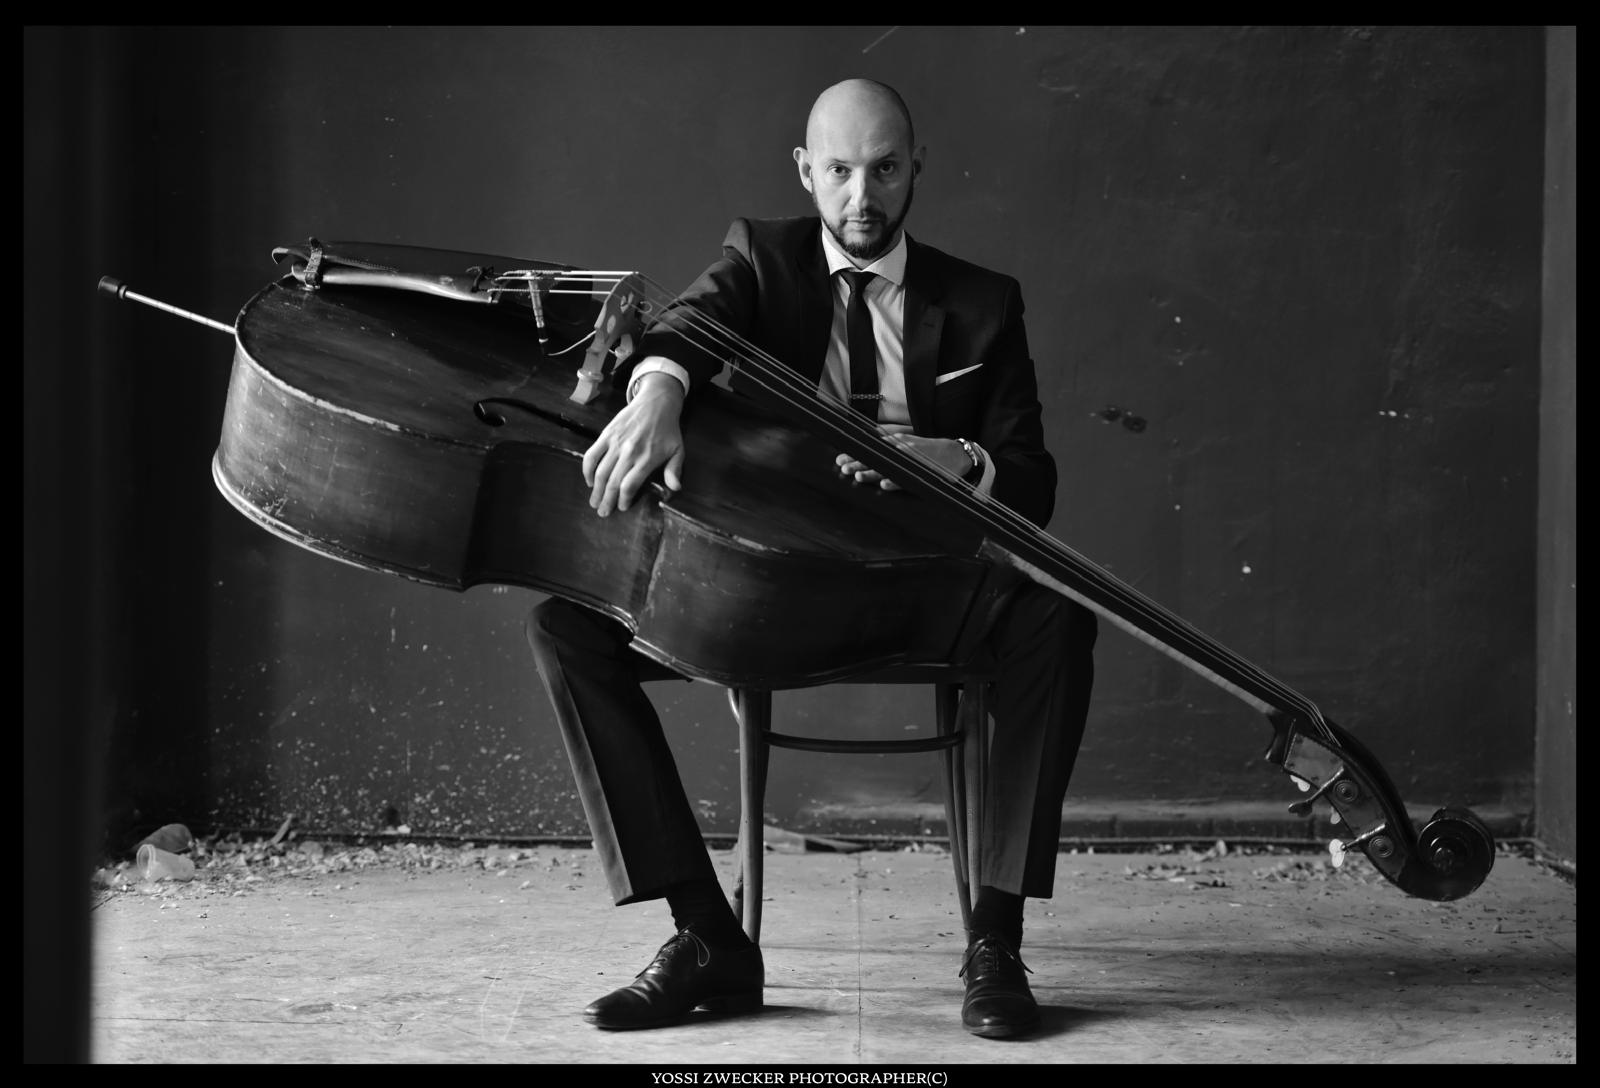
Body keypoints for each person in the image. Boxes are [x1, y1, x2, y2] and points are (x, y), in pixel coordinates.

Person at [527, 78, 1097, 1039]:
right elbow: (683, 327)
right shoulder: (764, 257)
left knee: (1060, 619)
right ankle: (707, 936)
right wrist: (660, 388)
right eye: (838, 172)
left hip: (928, 590)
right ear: (806, 171)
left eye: (882, 170)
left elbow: (1032, 478)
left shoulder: (985, 304)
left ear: (917, 168)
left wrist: (960, 458)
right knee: (564, 624)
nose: (860, 198)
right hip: (773, 591)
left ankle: (995, 938)